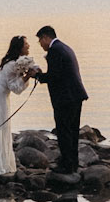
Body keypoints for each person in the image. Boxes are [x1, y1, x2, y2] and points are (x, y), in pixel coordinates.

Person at [0, 33, 41, 178]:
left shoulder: (13, 62)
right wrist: (27, 76)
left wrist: (27, 74)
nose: (29, 46)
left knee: (0, 129)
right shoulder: (12, 65)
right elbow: (15, 88)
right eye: (26, 45)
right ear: (20, 48)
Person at [35, 24, 87, 177]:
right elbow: (60, 73)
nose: (41, 45)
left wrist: (37, 75)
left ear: (45, 37)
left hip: (65, 98)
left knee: (64, 131)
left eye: (40, 41)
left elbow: (54, 76)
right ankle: (73, 162)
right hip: (75, 94)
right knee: (73, 130)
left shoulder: (54, 51)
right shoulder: (65, 47)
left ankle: (67, 165)